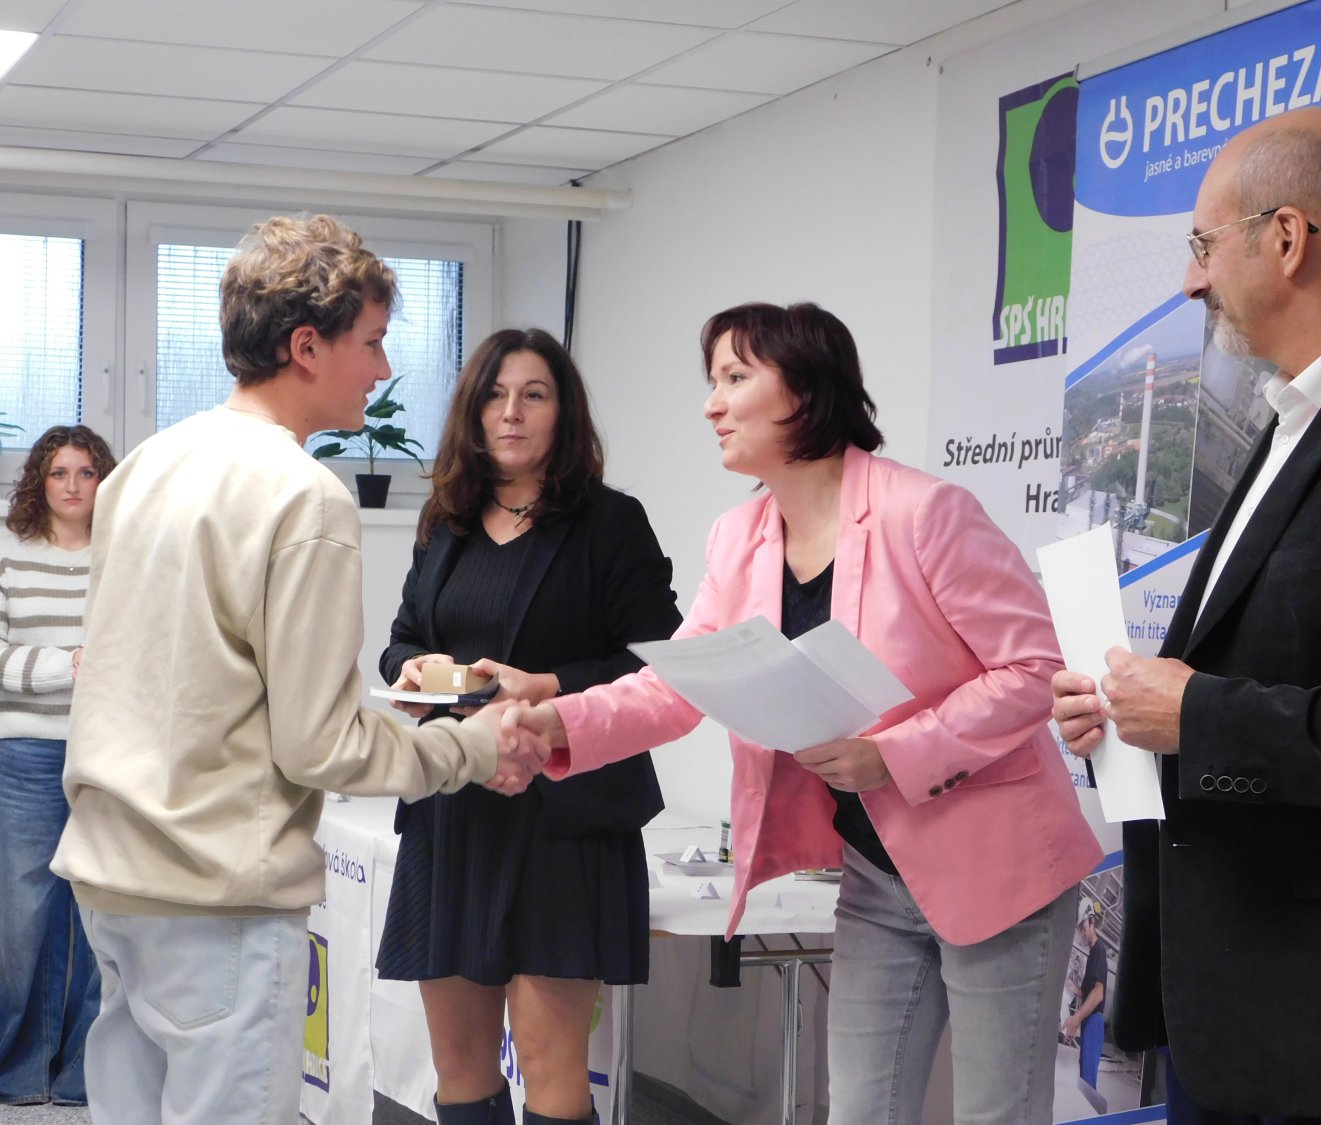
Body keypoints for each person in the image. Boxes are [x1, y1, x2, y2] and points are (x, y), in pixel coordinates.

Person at [500, 301, 1102, 1125]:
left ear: (805, 390)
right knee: (858, 1111)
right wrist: (561, 722)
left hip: (998, 863)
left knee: (999, 1114)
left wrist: (895, 753)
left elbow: (1036, 668)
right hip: (875, 871)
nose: (711, 404)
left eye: (734, 378)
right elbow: (679, 683)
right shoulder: (738, 535)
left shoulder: (923, 512)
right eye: (712, 381)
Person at [1051, 107, 1321, 1124]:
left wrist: (1198, 715)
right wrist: (1129, 721)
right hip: (1233, 1017)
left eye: (1203, 245)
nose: (1190, 280)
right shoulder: (1293, 422)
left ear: (1288, 238)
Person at [50, 215, 547, 1125]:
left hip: (113, 882)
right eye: (373, 341)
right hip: (217, 899)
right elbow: (321, 746)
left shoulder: (143, 469)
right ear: (307, 346)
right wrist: (472, 748)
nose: (384, 368)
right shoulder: (303, 496)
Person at [374, 328, 680, 1125]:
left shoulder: (611, 523)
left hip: (564, 817)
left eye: (533, 394)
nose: (511, 412)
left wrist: (548, 685)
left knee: (549, 1059)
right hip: (454, 807)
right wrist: (413, 666)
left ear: (563, 412)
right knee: (459, 1064)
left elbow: (661, 664)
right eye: (495, 395)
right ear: (473, 413)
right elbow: (400, 639)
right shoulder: (447, 521)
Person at [0, 425, 115, 1107]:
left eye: (87, 472)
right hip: (26, 752)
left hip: (107, 752)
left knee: (101, 913)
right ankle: (17, 1072)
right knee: (23, 915)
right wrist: (71, 665)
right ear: (38, 482)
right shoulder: (9, 550)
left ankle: (84, 1073)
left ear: (105, 481)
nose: (73, 486)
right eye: (59, 473)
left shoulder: (123, 554)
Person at [1064, 900, 1107, 1099]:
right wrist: (1074, 988)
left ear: (1092, 922)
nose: (1082, 933)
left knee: (1088, 1078)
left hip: (1094, 1020)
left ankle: (1091, 1112)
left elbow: (1098, 993)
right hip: (1088, 1020)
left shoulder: (1099, 950)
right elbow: (1089, 992)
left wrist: (1075, 1019)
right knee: (1084, 1074)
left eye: (1083, 927)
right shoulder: (1092, 954)